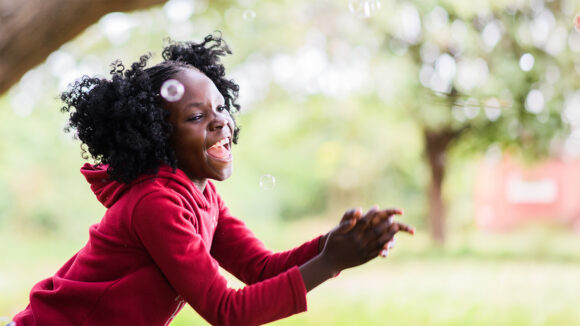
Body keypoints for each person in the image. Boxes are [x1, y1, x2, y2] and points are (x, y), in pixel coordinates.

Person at [11, 33, 415, 326]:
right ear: (158, 135)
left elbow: (260, 268)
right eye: (196, 116)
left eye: (220, 107)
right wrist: (329, 262)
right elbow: (227, 311)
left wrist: (334, 243)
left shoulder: (203, 198)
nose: (220, 119)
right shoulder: (155, 202)